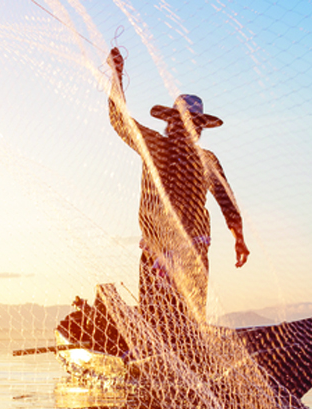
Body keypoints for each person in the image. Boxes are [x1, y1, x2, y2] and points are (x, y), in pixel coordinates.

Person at [106, 48, 249, 324]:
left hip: (191, 256)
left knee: (189, 323)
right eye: (182, 123)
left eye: (192, 125)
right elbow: (119, 121)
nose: (187, 129)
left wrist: (239, 239)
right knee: (159, 322)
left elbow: (227, 203)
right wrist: (116, 77)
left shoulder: (206, 160)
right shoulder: (156, 147)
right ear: (171, 123)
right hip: (158, 254)